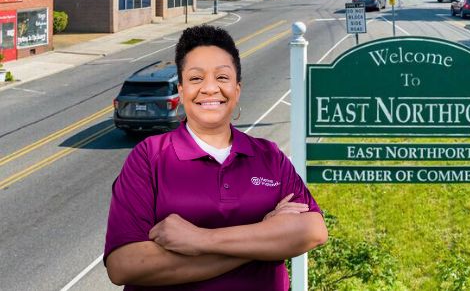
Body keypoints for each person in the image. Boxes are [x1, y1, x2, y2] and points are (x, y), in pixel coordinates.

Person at [105, 25, 327, 290]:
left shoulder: (269, 156)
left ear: (237, 89)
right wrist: (262, 238)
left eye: (222, 78)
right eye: (196, 78)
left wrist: (199, 240)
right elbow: (124, 265)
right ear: (182, 89)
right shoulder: (149, 157)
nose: (210, 89)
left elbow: (312, 231)